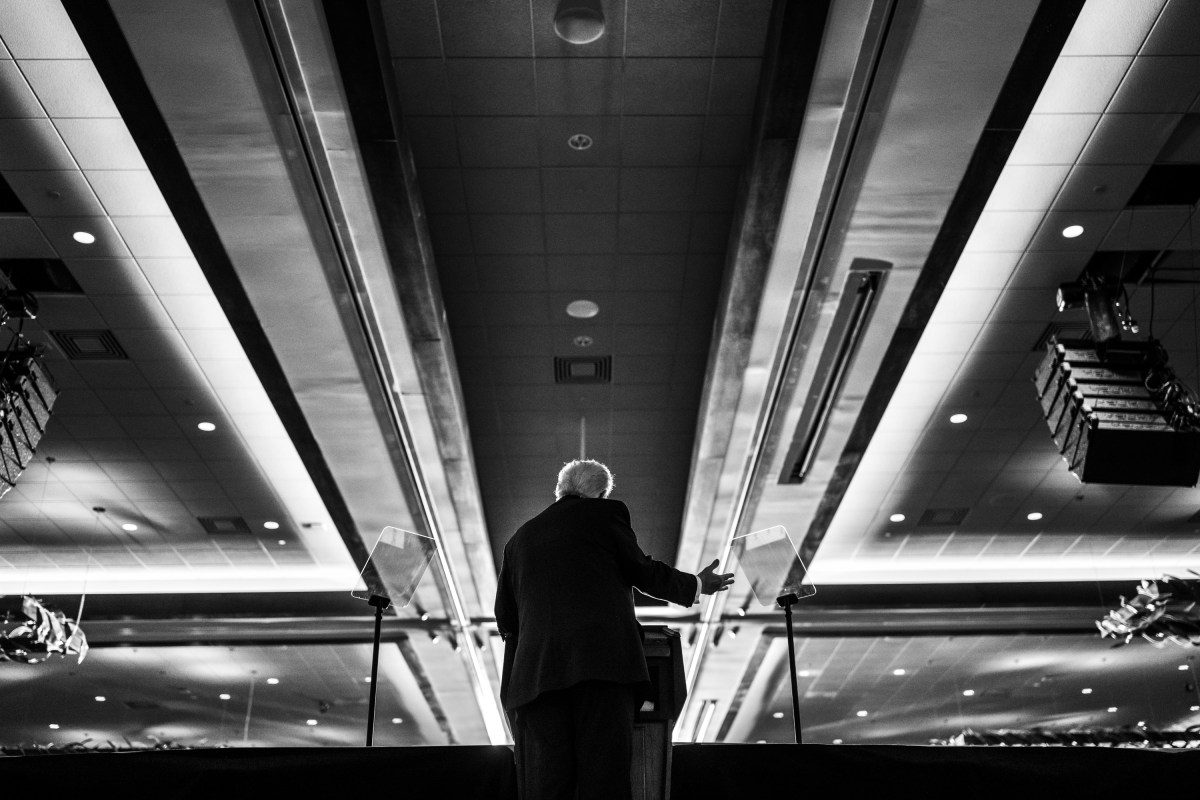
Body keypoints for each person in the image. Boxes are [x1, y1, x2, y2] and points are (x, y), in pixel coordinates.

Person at [495, 459, 734, 800]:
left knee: (549, 785)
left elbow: (505, 618)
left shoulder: (519, 539)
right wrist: (695, 584)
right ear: (600, 494)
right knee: (604, 780)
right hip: (602, 670)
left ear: (560, 490)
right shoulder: (605, 515)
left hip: (536, 682)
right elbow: (642, 570)